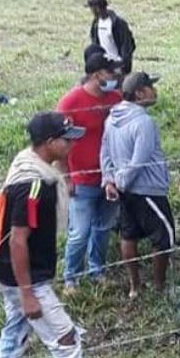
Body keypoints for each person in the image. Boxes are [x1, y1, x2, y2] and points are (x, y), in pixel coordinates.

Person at [0, 112, 91, 358]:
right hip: (25, 277)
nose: (72, 145)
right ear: (49, 142)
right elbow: (17, 240)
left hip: (11, 271)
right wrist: (28, 294)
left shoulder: (36, 166)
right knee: (65, 337)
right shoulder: (33, 185)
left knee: (16, 327)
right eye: (66, 140)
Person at [101, 72, 173, 298]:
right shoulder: (144, 122)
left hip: (125, 191)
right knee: (164, 237)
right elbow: (139, 160)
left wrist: (109, 180)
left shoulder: (111, 118)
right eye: (151, 87)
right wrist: (122, 181)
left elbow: (104, 153)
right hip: (148, 189)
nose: (155, 91)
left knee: (128, 235)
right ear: (140, 93)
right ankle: (159, 287)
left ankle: (135, 286)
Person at [57, 53, 123, 293]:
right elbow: (58, 144)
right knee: (80, 232)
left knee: (103, 227)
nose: (115, 76)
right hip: (82, 179)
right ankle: (70, 277)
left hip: (110, 178)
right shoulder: (70, 103)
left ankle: (97, 270)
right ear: (97, 75)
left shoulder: (116, 98)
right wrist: (66, 178)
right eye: (110, 72)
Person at [86, 0, 136, 75]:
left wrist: (123, 63)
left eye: (92, 9)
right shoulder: (96, 23)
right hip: (103, 64)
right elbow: (95, 41)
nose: (92, 12)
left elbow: (127, 45)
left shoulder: (118, 23)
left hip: (118, 65)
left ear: (98, 8)